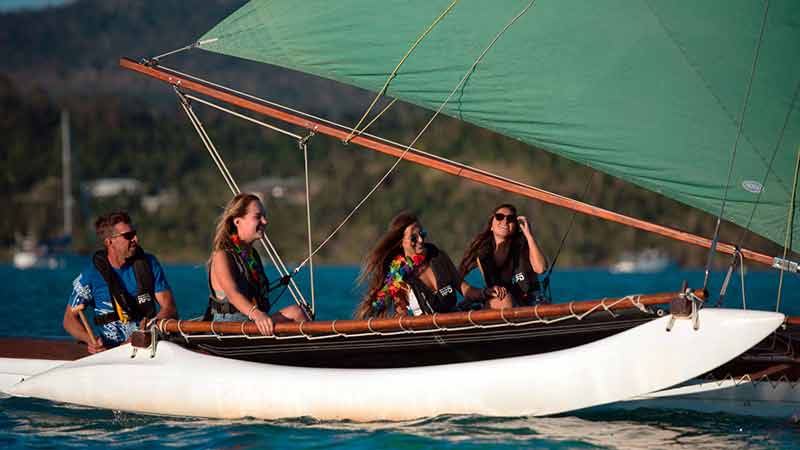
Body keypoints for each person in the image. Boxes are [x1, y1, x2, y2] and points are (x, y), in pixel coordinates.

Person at [63, 211, 178, 353]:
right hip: (110, 352)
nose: (136, 239)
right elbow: (69, 319)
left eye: (134, 234)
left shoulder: (148, 264)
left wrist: (145, 331)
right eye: (128, 236)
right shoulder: (91, 274)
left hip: (145, 348)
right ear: (109, 241)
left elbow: (170, 309)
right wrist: (90, 340)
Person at [355, 212, 494, 319]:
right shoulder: (398, 275)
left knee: (499, 301)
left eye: (422, 234)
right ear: (400, 242)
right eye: (414, 238)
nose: (421, 240)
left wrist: (485, 292)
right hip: (429, 329)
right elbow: (401, 311)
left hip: (455, 319)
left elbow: (464, 289)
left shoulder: (438, 257)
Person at [207, 193, 308, 335]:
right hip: (229, 329)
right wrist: (257, 314)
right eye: (258, 217)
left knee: (300, 312)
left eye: (265, 216)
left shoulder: (252, 256)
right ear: (237, 221)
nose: (265, 221)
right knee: (296, 313)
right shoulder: (222, 256)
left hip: (251, 325)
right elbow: (232, 294)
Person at [459, 204, 548, 308]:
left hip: (530, 301)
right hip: (503, 301)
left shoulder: (523, 245)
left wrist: (528, 234)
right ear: (491, 225)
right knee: (499, 301)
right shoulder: (483, 254)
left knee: (504, 301)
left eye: (510, 219)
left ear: (515, 227)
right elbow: (459, 278)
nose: (505, 221)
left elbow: (541, 269)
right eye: (499, 217)